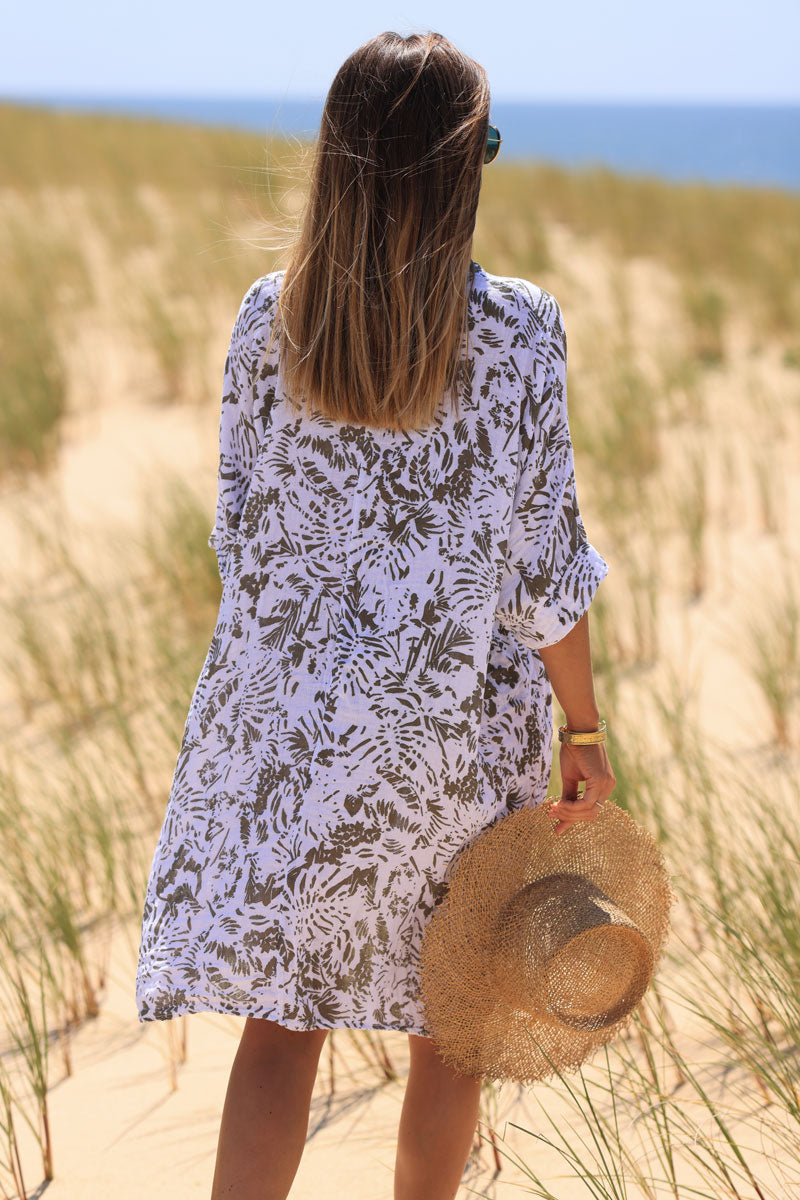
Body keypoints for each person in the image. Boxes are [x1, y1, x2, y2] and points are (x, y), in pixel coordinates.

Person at [135, 29, 615, 1200]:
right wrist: (585, 729)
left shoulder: (268, 318)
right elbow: (539, 567)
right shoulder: (514, 331)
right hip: (449, 742)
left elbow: (239, 535)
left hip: (287, 736)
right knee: (448, 1029)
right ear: (460, 167)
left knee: (280, 1027)